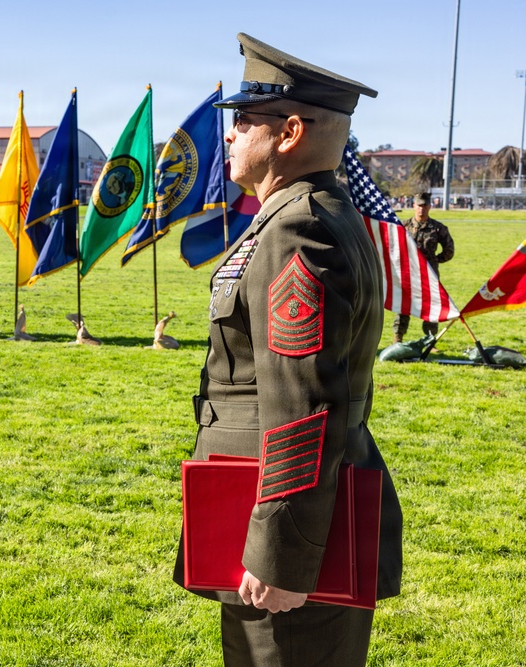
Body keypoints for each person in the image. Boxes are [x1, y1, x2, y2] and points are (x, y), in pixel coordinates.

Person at [172, 33, 403, 666]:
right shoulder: (312, 212)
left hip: (282, 532)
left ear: (290, 131)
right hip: (274, 510)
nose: (231, 133)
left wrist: (283, 556)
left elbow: (302, 400)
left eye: (243, 120)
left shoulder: (299, 226)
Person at [393, 192, 455, 342]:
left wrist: (434, 261)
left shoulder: (438, 228)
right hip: (408, 273)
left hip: (429, 274)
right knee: (403, 304)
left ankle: (430, 339)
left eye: (425, 206)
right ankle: (398, 338)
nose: (422, 209)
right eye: (419, 206)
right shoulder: (404, 226)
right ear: (414, 206)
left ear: (430, 206)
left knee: (431, 306)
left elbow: (449, 249)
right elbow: (393, 246)